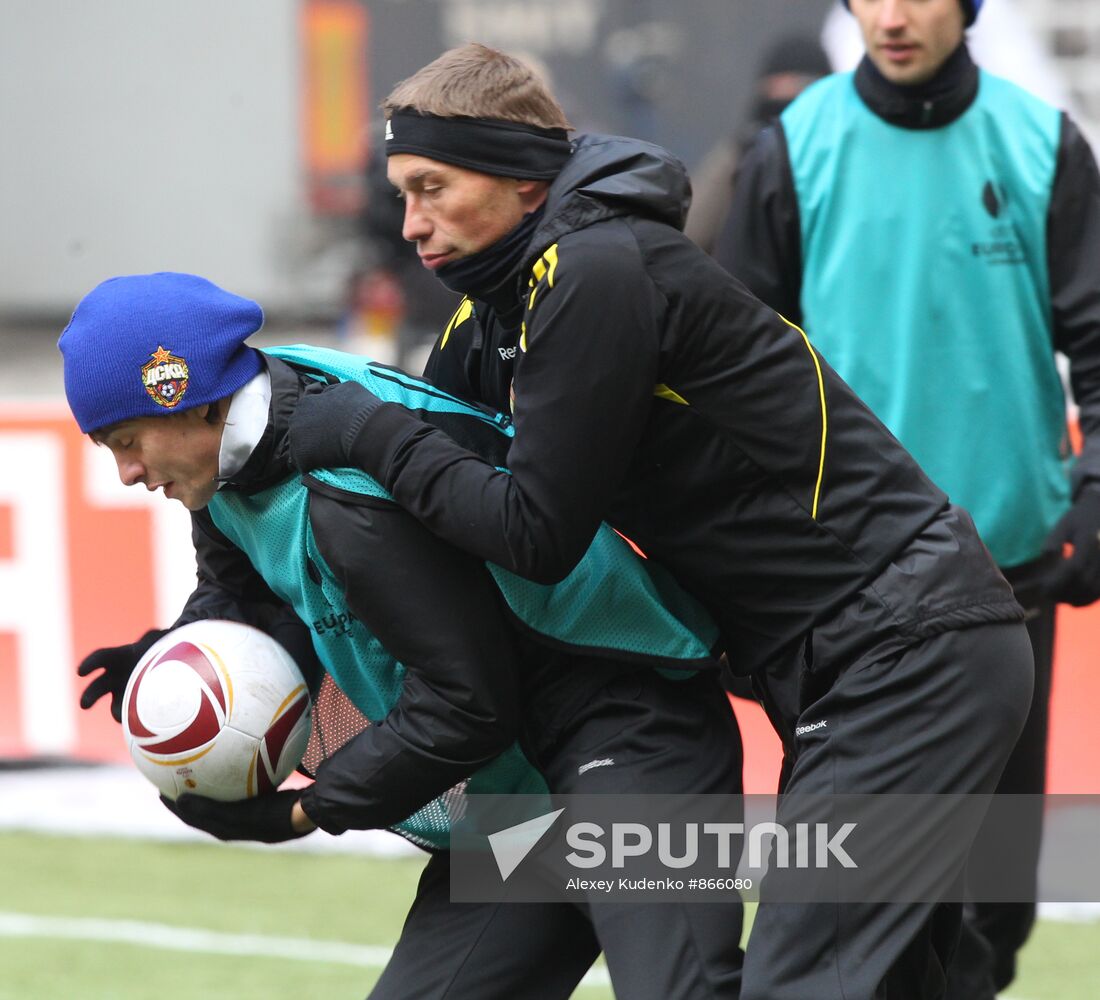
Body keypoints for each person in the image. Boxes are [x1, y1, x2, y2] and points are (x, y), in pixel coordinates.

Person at [284, 42, 1035, 999]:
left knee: (804, 985)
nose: (411, 223)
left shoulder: (595, 269)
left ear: (522, 178)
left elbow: (533, 534)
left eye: (433, 187)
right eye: (401, 194)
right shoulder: (492, 315)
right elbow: (440, 525)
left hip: (908, 653)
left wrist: (367, 429)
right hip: (848, 665)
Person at [59, 271, 745, 999]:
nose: (127, 472)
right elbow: (247, 592)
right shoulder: (237, 443)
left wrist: (303, 812)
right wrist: (177, 654)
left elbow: (467, 706)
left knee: (683, 990)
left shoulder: (346, 497)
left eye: (127, 440)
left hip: (630, 735)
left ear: (190, 400)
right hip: (521, 788)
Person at [715, 1, 1100, 995]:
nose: (890, 16)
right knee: (857, 888)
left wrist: (1095, 484)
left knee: (991, 902)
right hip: (845, 583)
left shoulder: (1041, 143)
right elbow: (728, 374)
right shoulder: (793, 148)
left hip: (1008, 569)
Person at [683, 32, 830, 255]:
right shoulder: (740, 154)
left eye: (802, 86)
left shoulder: (842, 156)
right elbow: (692, 230)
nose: (790, 96)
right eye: (780, 86)